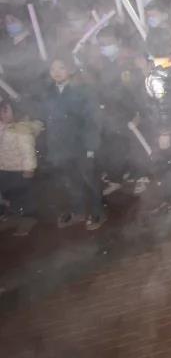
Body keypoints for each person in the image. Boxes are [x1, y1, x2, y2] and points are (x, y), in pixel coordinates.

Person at [43, 58, 106, 230]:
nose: (57, 72)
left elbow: (93, 120)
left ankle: (98, 212)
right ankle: (78, 211)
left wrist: (91, 146)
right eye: (53, 69)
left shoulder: (83, 90)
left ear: (70, 69)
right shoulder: (49, 92)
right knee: (70, 181)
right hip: (60, 146)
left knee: (89, 179)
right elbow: (47, 119)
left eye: (61, 68)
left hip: (81, 144)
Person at [0, 97, 42, 235]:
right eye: (1, 111)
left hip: (19, 170)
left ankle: (29, 219)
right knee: (10, 194)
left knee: (23, 195)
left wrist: (29, 169)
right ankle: (14, 216)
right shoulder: (2, 127)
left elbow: (28, 151)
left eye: (6, 111)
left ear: (16, 112)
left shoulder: (21, 130)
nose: (2, 114)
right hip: (4, 168)